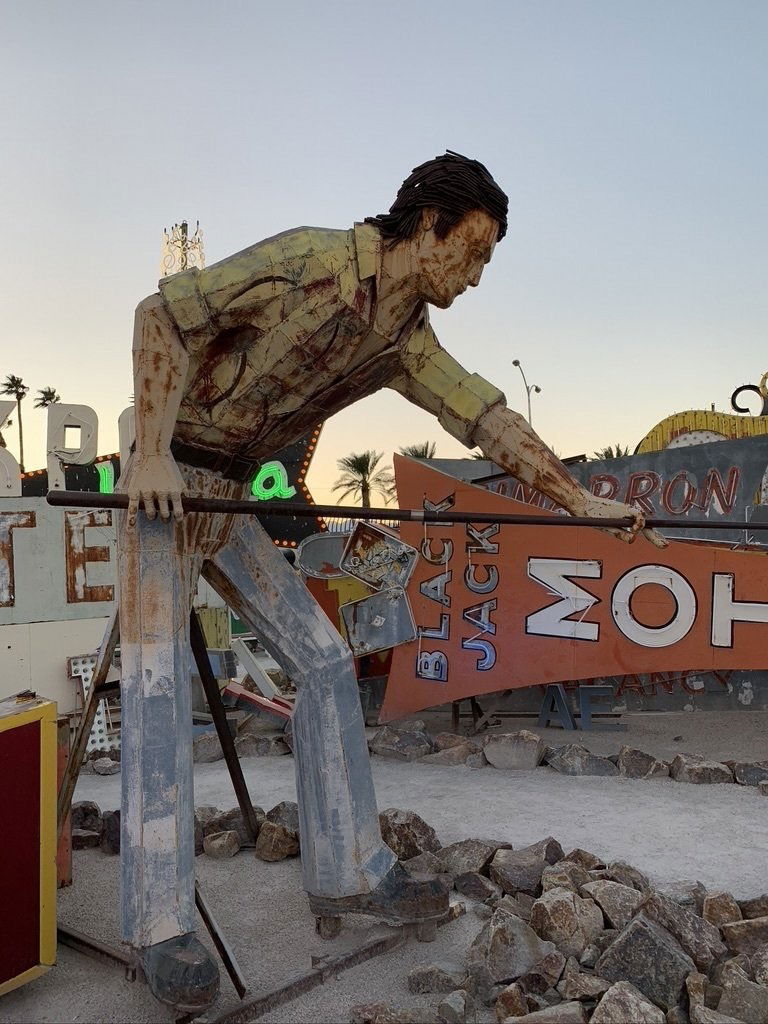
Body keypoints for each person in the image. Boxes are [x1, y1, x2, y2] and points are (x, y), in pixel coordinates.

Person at [117, 152, 664, 1011]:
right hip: (165, 481)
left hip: (229, 499)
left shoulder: (403, 339)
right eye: (473, 253)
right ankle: (158, 925)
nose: (476, 277)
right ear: (429, 227)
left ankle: (350, 869)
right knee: (154, 686)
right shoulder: (309, 262)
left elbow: (483, 412)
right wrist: (148, 450)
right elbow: (162, 314)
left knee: (328, 664)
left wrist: (578, 501)